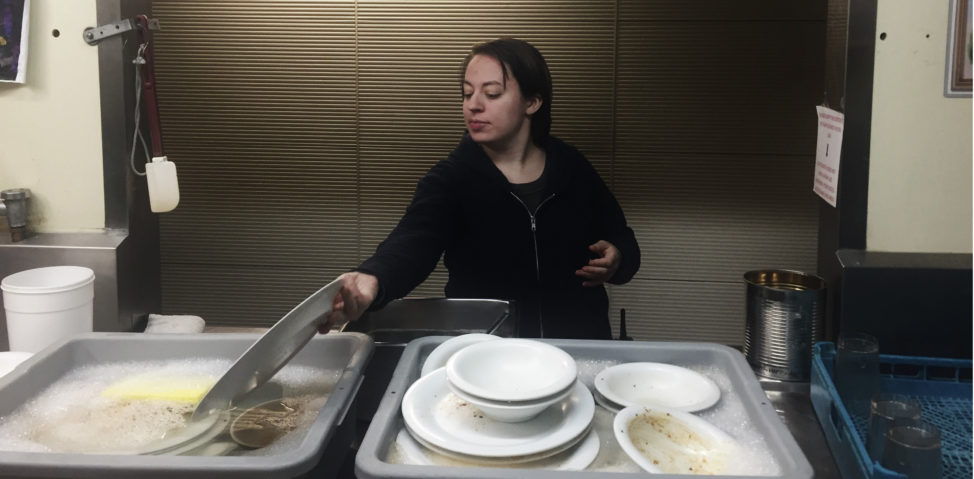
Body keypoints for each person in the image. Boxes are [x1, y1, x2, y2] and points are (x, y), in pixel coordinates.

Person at [324, 38, 640, 339]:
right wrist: (372, 277)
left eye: (491, 93)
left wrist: (618, 257)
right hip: (486, 354)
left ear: (532, 101)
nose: (473, 105)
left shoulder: (572, 167)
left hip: (576, 347)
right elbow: (411, 244)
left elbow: (621, 236)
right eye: (466, 93)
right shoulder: (451, 179)